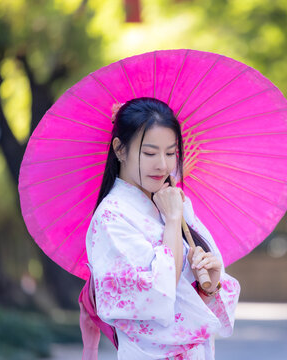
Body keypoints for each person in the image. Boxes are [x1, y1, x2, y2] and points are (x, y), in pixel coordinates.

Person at [83, 97, 240, 359]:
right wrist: (171, 220)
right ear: (120, 150)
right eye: (150, 153)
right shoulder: (111, 218)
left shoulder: (171, 202)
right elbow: (158, 297)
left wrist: (209, 285)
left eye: (170, 153)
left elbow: (191, 297)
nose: (164, 165)